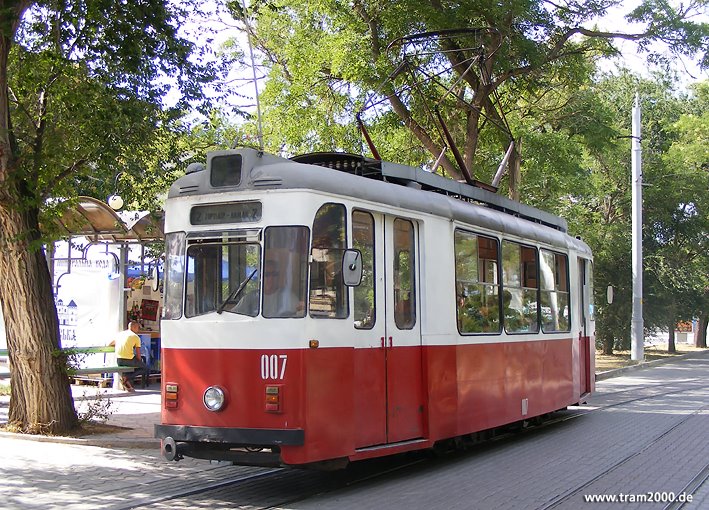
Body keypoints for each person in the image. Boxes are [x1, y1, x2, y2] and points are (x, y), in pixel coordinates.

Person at [109, 321, 149, 391]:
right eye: (138, 328)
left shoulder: (120, 334)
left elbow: (110, 344)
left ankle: (129, 386)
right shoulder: (135, 337)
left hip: (119, 360)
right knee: (145, 368)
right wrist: (140, 361)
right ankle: (126, 378)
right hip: (129, 359)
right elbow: (138, 353)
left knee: (131, 369)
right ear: (134, 327)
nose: (138, 330)